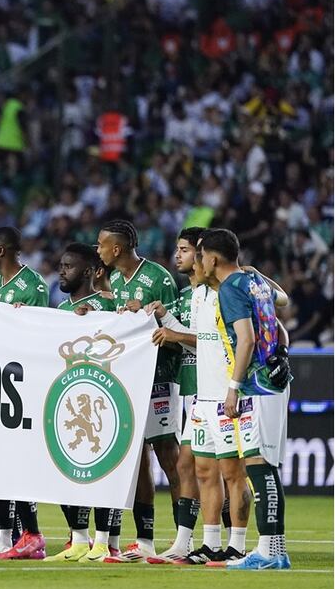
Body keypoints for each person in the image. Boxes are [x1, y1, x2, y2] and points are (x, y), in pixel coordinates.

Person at [201, 229, 293, 570]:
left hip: (256, 385)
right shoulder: (254, 282)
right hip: (276, 382)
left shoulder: (229, 289)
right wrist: (252, 271)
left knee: (259, 467)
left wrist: (233, 387)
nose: (200, 262)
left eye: (201, 255)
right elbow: (281, 301)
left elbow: (247, 339)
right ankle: (275, 550)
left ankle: (269, 553)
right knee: (266, 466)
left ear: (212, 259)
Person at [96, 219, 181, 564]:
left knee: (168, 455)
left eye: (101, 244)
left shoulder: (159, 278)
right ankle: (144, 540)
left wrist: (151, 319)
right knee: (137, 460)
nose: (97, 250)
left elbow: (177, 331)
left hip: (160, 378)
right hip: (129, 380)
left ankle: (183, 539)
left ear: (116, 248)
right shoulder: (114, 280)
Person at [43, 243, 117, 563]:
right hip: (66, 399)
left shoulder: (107, 307)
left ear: (88, 272)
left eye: (69, 266)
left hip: (101, 398)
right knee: (65, 472)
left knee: (102, 473)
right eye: (61, 265)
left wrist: (96, 319)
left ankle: (103, 542)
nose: (62, 271)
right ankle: (78, 539)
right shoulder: (59, 311)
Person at [0, 226, 50, 560]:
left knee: (21, 462)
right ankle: (9, 538)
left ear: (3, 250)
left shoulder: (33, 285)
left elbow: (41, 332)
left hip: (26, 384)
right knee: (0, 462)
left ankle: (33, 533)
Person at [145, 228, 205, 564]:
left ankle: (228, 541)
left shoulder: (221, 292)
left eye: (183, 250)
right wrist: (162, 320)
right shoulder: (183, 296)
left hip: (217, 388)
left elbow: (213, 338)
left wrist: (169, 328)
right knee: (194, 466)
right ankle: (190, 542)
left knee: (217, 469)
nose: (176, 255)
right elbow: (181, 338)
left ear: (202, 253)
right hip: (191, 387)